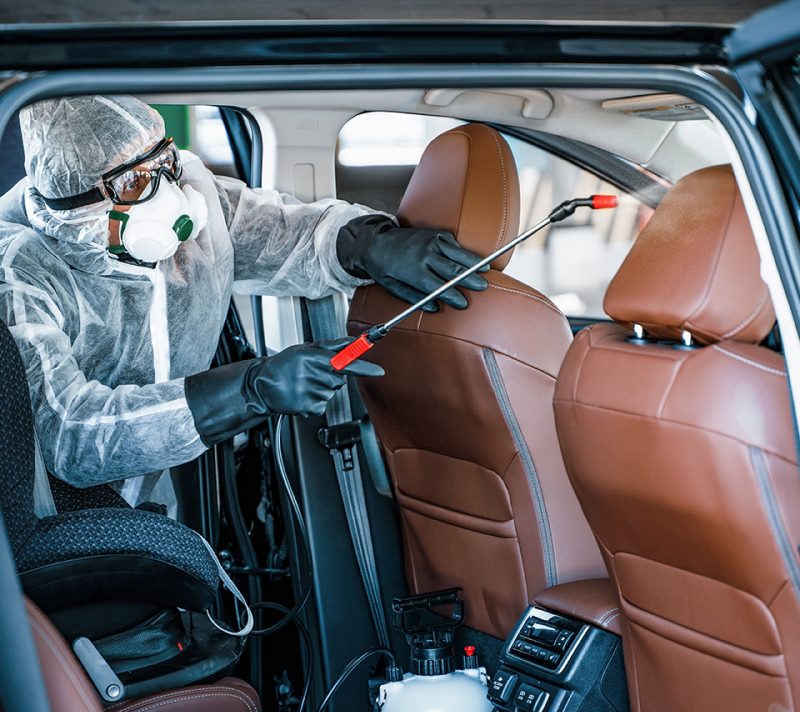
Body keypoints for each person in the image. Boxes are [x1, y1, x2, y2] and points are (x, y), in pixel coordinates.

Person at [0, 95, 487, 508]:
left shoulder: (194, 193)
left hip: (161, 497)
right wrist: (249, 389)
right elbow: (69, 431)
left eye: (163, 161)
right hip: (47, 517)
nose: (170, 193)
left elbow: (284, 233)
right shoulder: (19, 269)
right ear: (77, 206)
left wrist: (369, 244)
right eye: (133, 183)